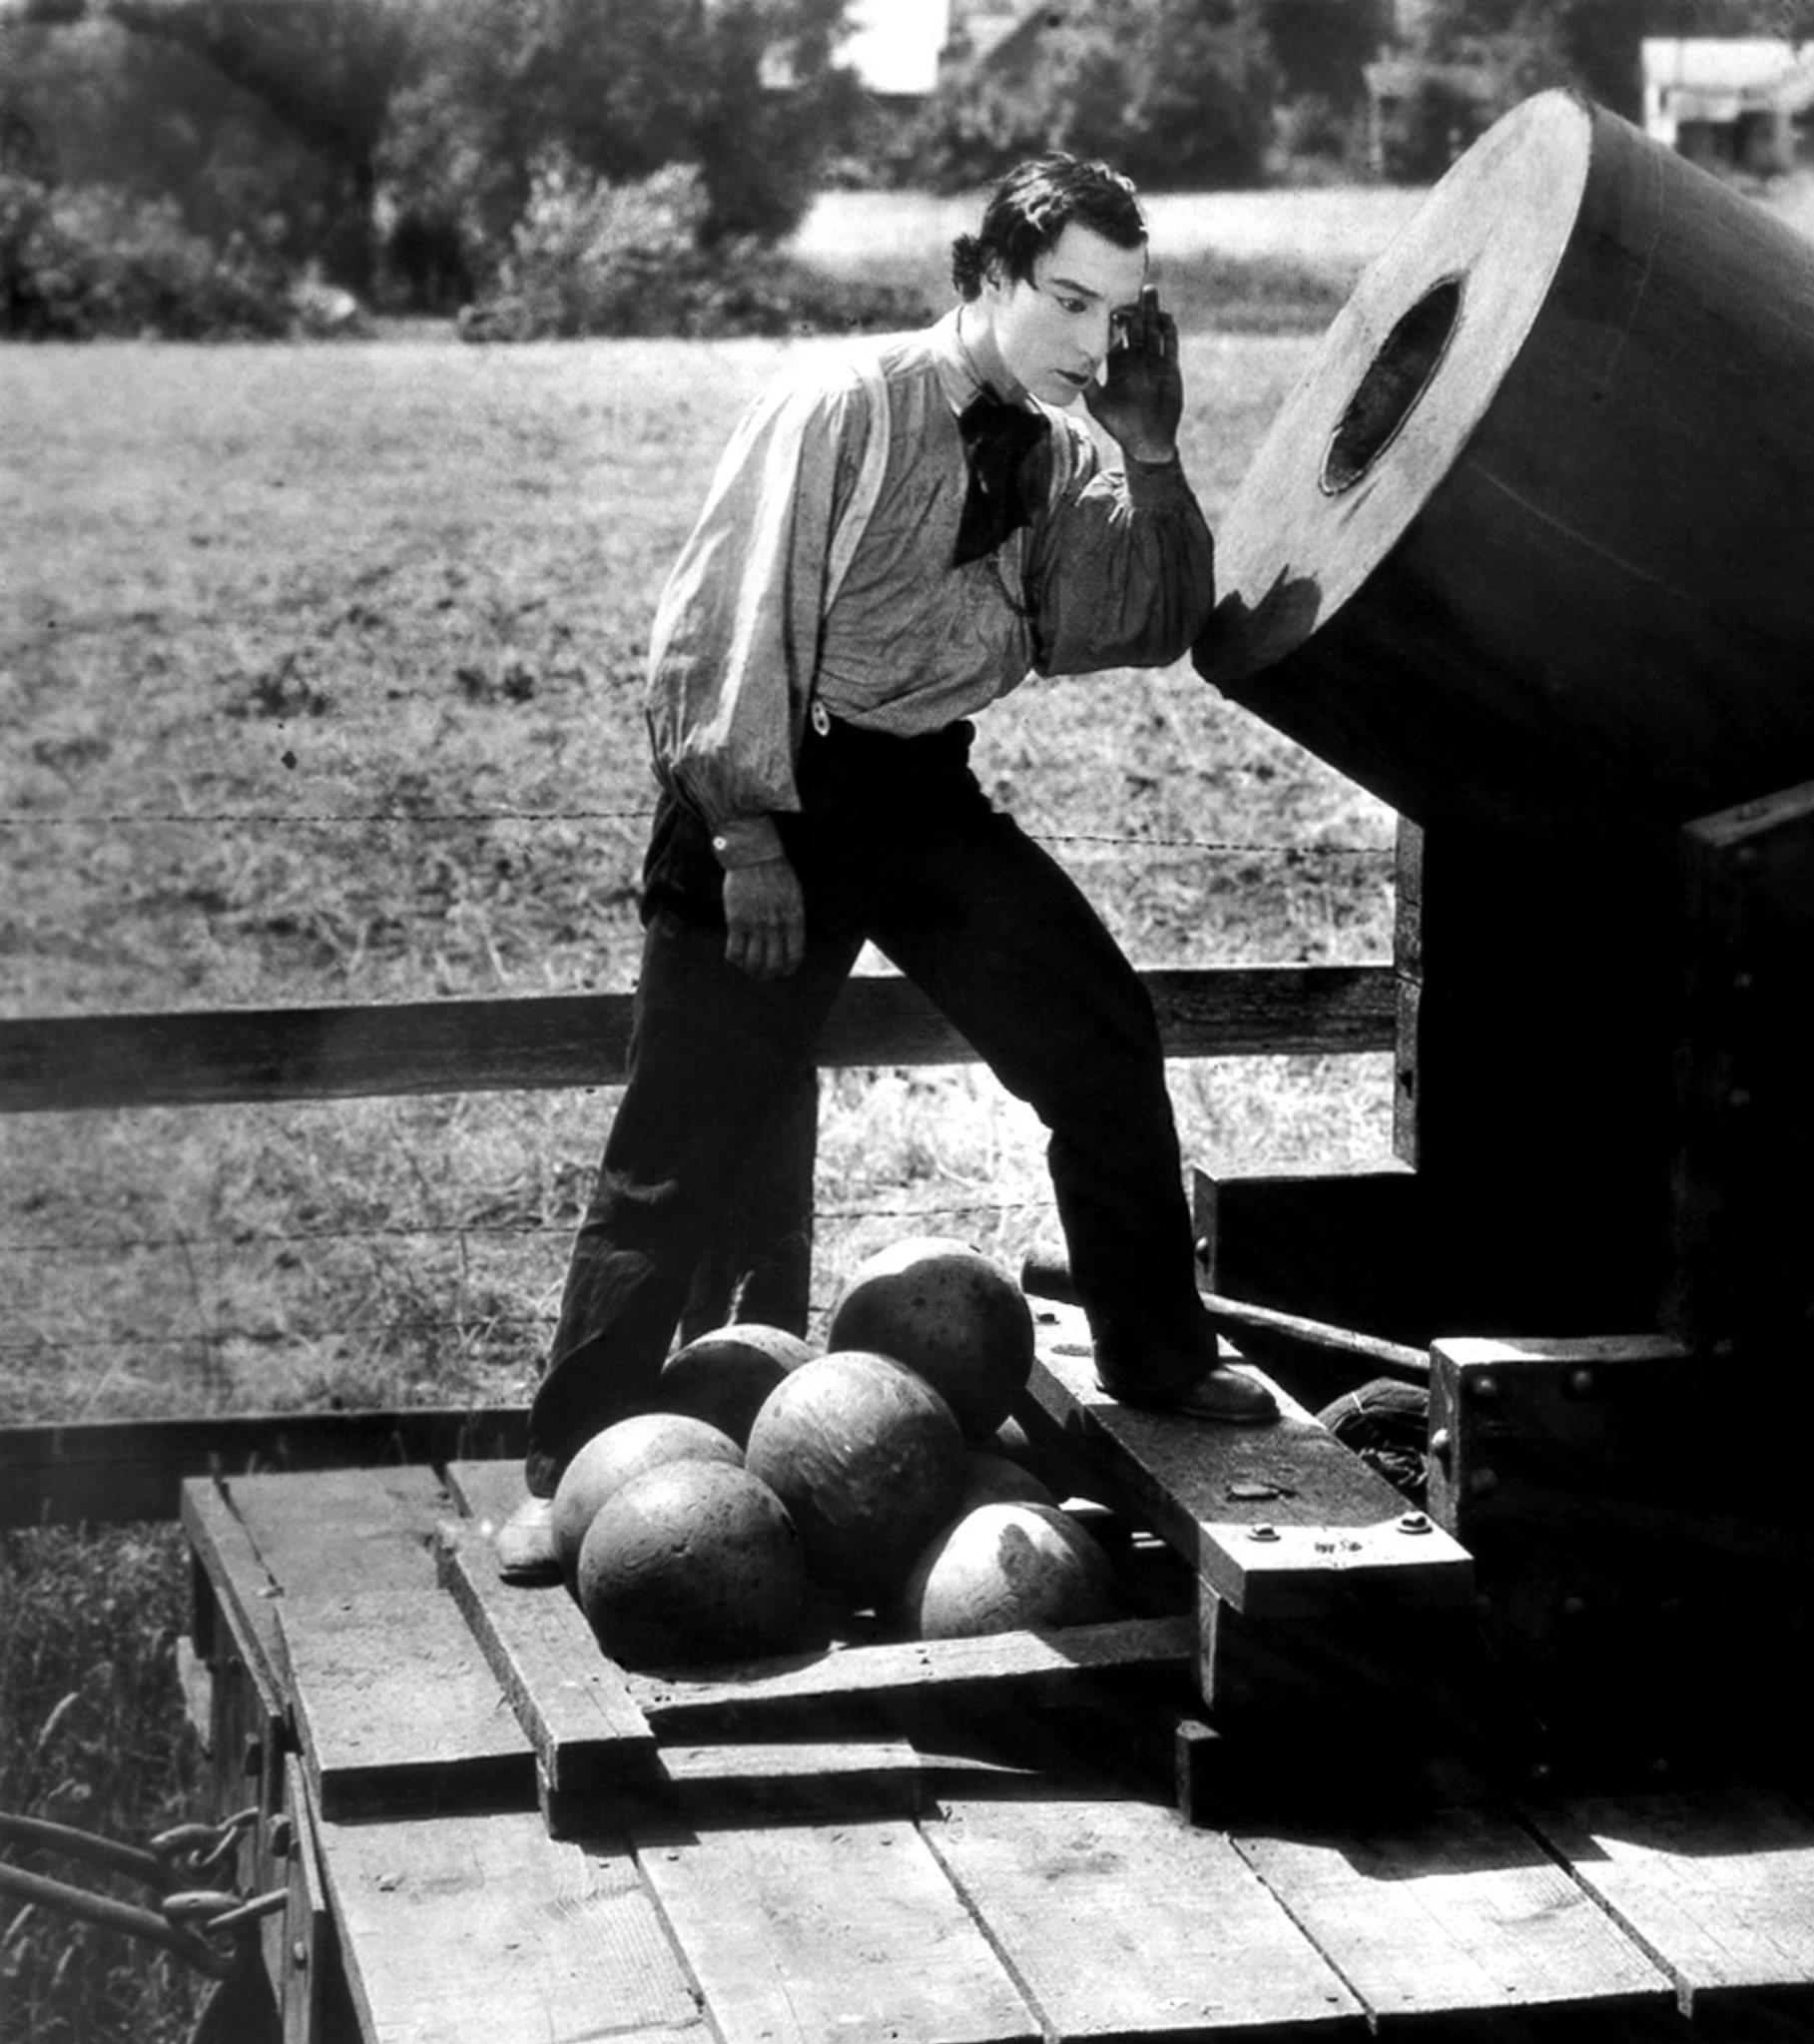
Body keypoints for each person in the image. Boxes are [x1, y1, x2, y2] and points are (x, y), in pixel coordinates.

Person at [506, 155, 1276, 1573]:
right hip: (771, 786)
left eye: (1123, 312)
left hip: (916, 795)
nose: (1093, 342)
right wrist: (745, 836)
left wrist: (1150, 448)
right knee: (683, 1137)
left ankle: (1158, 1355)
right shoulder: (846, 401)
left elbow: (1137, 620)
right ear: (980, 277)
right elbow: (717, 624)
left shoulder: (1049, 443)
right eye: (1065, 302)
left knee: (1102, 1033)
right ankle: (573, 1464)